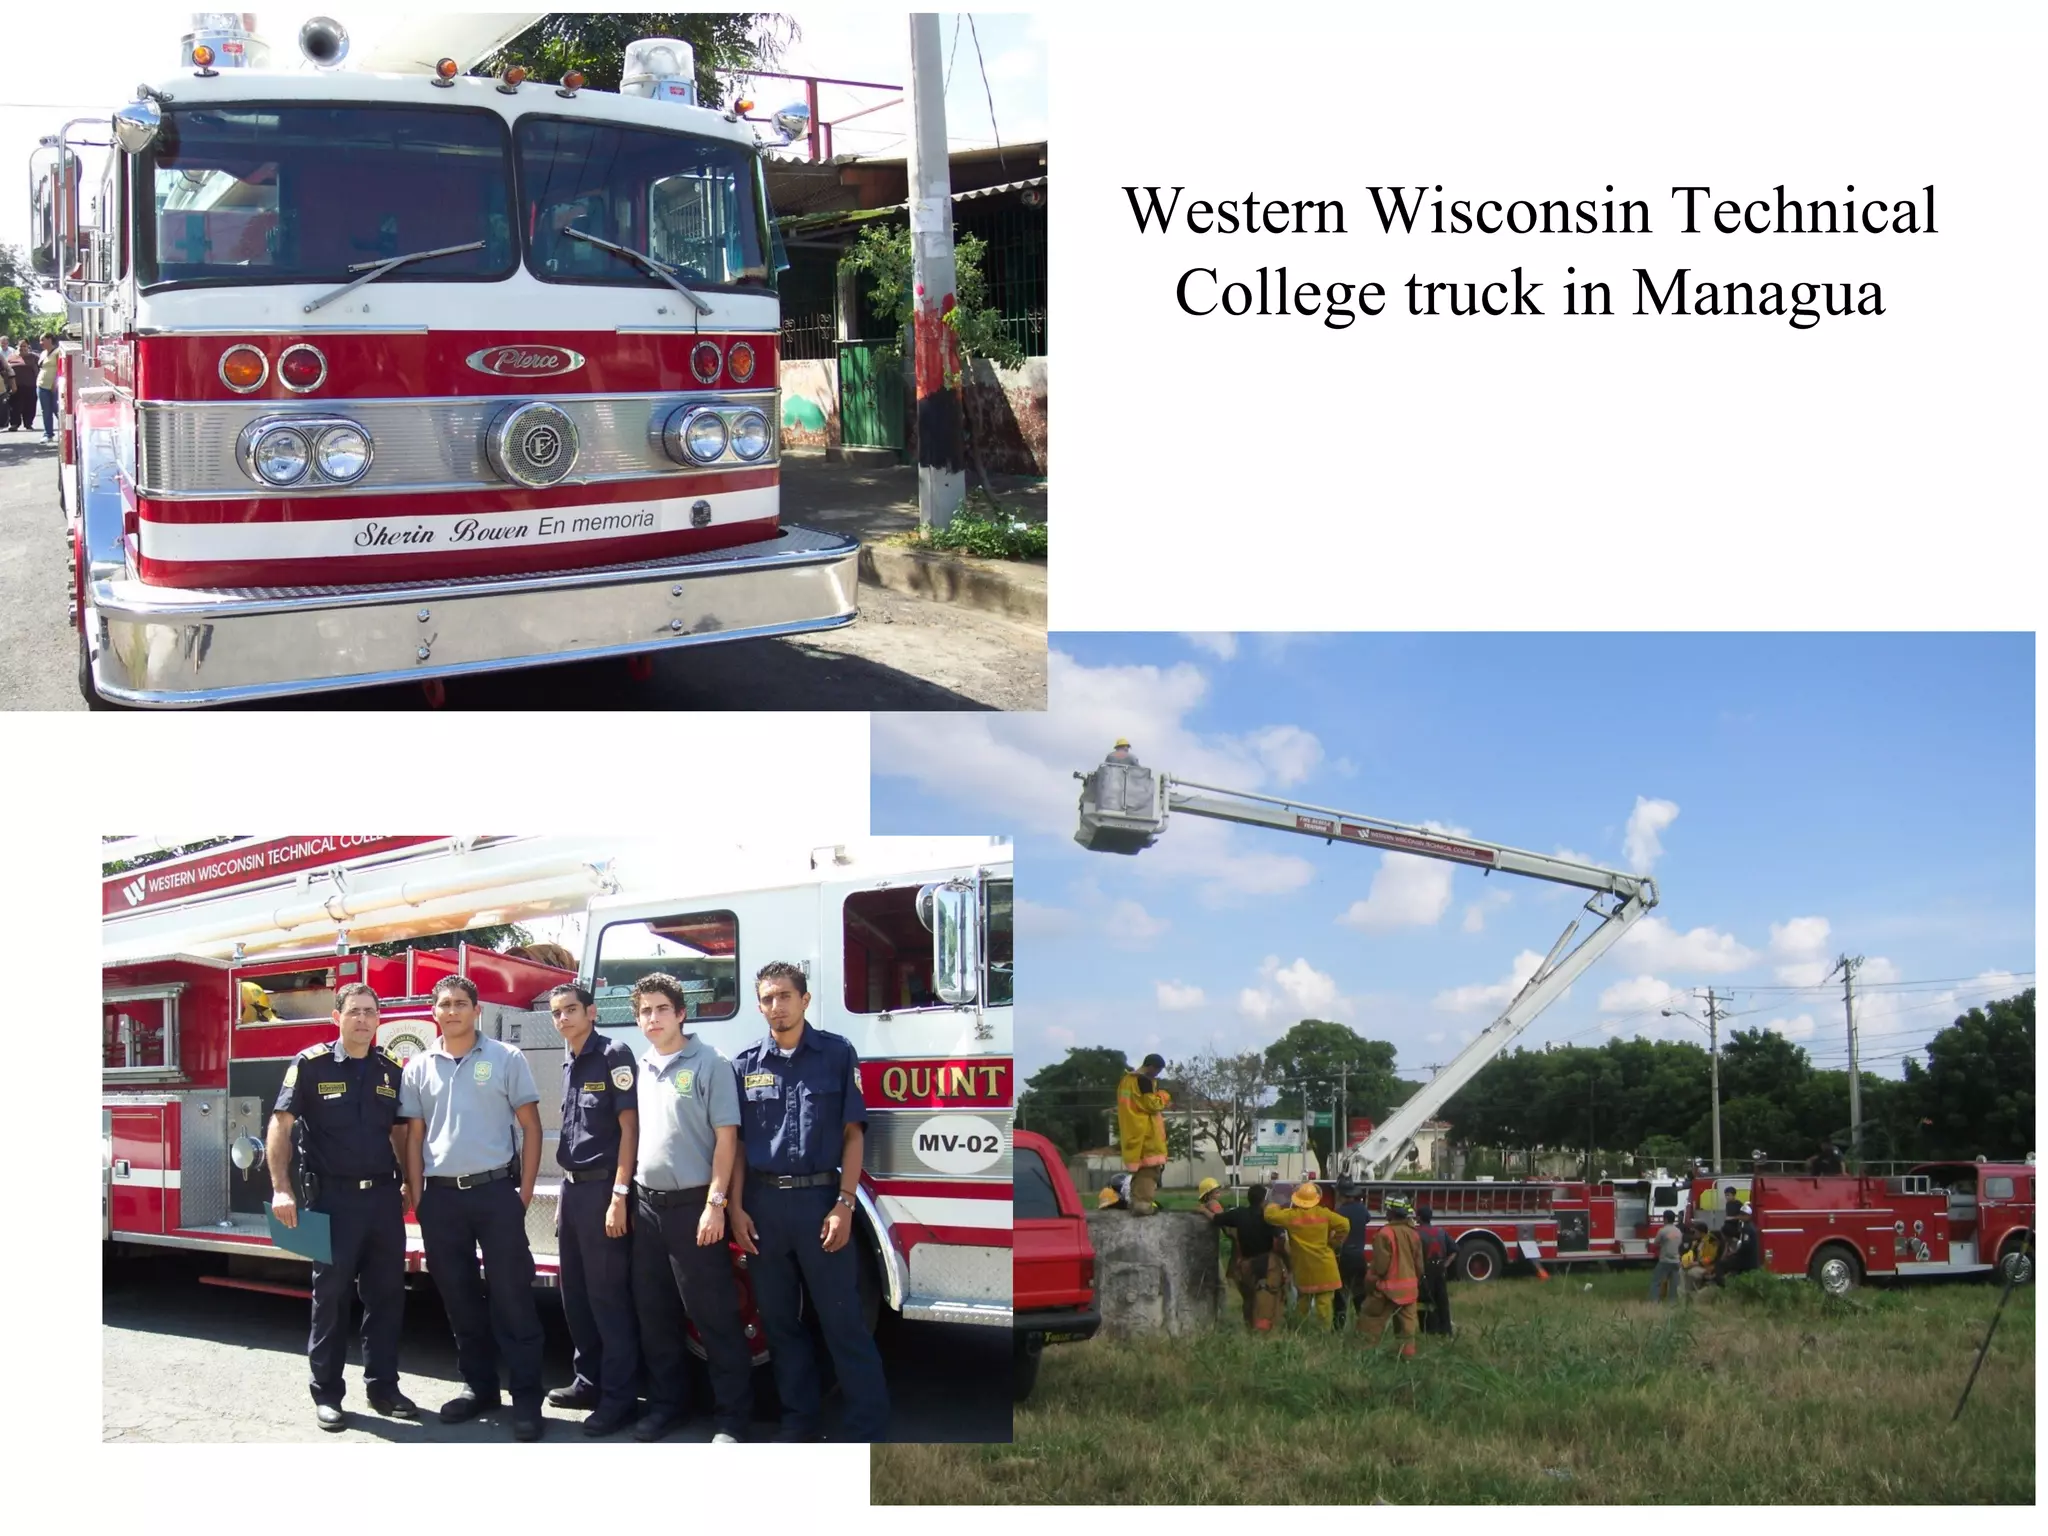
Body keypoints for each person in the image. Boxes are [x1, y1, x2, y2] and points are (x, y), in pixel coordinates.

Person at [730, 961, 890, 1441]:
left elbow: (853, 1135)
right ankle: (799, 1423)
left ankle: (868, 1426)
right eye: (766, 998)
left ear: (804, 1000)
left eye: (784, 996)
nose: (775, 1006)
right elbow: (736, 1147)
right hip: (761, 1206)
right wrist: (735, 1209)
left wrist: (844, 1204)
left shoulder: (836, 1055)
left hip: (820, 1202)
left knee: (843, 1320)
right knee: (780, 1325)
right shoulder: (745, 1065)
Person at [399, 975, 549, 1439]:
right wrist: (418, 1193)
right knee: (459, 1298)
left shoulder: (507, 1058)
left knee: (513, 1298)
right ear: (434, 1012)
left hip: (494, 1194)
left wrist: (522, 1193)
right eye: (444, 1004)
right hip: (441, 1198)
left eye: (461, 1004)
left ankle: (526, 1400)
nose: (452, 1011)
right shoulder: (418, 1067)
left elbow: (532, 1127)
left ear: (476, 1010)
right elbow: (414, 1135)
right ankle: (478, 1387)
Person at [265, 982, 415, 1431]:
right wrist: (282, 1188)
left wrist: (410, 1181)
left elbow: (400, 1134)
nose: (363, 1019)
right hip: (332, 1199)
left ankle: (383, 1388)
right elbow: (281, 1125)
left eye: (371, 1012)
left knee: (387, 1297)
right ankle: (328, 1395)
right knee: (330, 1300)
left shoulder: (391, 1070)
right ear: (337, 1017)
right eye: (354, 1012)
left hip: (384, 1201)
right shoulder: (309, 1065)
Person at [628, 972, 754, 1444]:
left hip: (694, 1207)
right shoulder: (640, 1066)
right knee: (656, 1315)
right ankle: (667, 1407)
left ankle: (733, 1419)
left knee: (714, 1315)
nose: (653, 1018)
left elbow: (728, 1140)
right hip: (647, 1206)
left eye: (662, 1008)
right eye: (644, 1011)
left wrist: (716, 1204)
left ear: (681, 1013)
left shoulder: (711, 1064)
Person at [543, 982, 641, 1437]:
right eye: (556, 1012)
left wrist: (620, 1195)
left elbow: (629, 1128)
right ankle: (589, 1380)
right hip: (573, 1189)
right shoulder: (570, 1059)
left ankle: (620, 1398)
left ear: (592, 1011)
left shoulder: (613, 1054)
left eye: (570, 1010)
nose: (562, 1018)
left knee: (607, 1297)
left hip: (604, 1190)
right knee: (576, 1294)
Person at [1263, 1178, 1349, 1326]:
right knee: (1325, 1305)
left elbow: (1269, 1216)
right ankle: (1324, 1337)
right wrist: (1333, 1243)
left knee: (1303, 1303)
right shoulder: (1324, 1214)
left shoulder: (1291, 1216)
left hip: (1304, 1268)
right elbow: (1345, 1225)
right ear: (1316, 1199)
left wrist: (1274, 1203)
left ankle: (1299, 1332)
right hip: (1325, 1268)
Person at [1210, 1183, 1285, 1331]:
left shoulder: (1239, 1214)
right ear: (1264, 1200)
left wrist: (1203, 1210)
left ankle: (1249, 1327)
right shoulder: (1268, 1217)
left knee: (1249, 1298)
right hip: (1266, 1264)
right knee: (1265, 1300)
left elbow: (1215, 1219)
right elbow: (1281, 1239)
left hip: (1245, 1265)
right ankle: (1263, 1333)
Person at [1358, 1195, 1423, 1356]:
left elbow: (1381, 1266)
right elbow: (1419, 1264)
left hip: (1387, 1289)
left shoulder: (1385, 1234)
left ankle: (1366, 1355)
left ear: (1391, 1213)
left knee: (1371, 1321)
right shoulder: (1413, 1233)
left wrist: (1371, 1281)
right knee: (1407, 1329)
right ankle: (1406, 1357)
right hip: (1409, 1290)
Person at [1115, 1053, 1170, 1214]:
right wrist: (1163, 1096)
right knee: (1150, 1170)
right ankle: (1143, 1205)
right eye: (1158, 1070)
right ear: (1151, 1066)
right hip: (1146, 1134)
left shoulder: (1126, 1081)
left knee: (1139, 1172)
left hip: (1132, 1130)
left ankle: (1135, 1202)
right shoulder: (1144, 1080)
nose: (1157, 1074)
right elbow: (1152, 1105)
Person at [1331, 1182, 1372, 1330]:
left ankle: (1338, 1326)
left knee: (1341, 1294)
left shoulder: (1340, 1212)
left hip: (1344, 1256)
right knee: (1360, 1293)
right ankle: (1364, 1326)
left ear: (1344, 1196)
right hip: (1359, 1257)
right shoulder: (1362, 1209)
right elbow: (1367, 1219)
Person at [1414, 1202, 1455, 1335]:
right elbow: (1454, 1250)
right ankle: (1445, 1329)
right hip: (1440, 1270)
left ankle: (1429, 1329)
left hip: (1424, 1271)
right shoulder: (1441, 1231)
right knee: (1442, 1301)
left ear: (1419, 1218)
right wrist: (1445, 1264)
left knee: (1425, 1302)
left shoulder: (1415, 1233)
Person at [1647, 1209, 1684, 1303]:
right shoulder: (1678, 1231)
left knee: (1657, 1281)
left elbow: (1656, 1243)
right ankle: (1673, 1302)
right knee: (1674, 1283)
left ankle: (1654, 1301)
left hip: (1665, 1260)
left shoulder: (1662, 1231)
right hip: (1676, 1260)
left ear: (1665, 1219)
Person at [37, 335, 59, 442]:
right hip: (42, 385)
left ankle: (69, 431)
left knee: (57, 409)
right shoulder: (43, 353)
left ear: (50, 340)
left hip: (53, 386)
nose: (41, 342)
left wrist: (56, 382)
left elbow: (60, 369)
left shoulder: (58, 352)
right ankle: (48, 434)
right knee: (46, 410)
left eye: (43, 340)